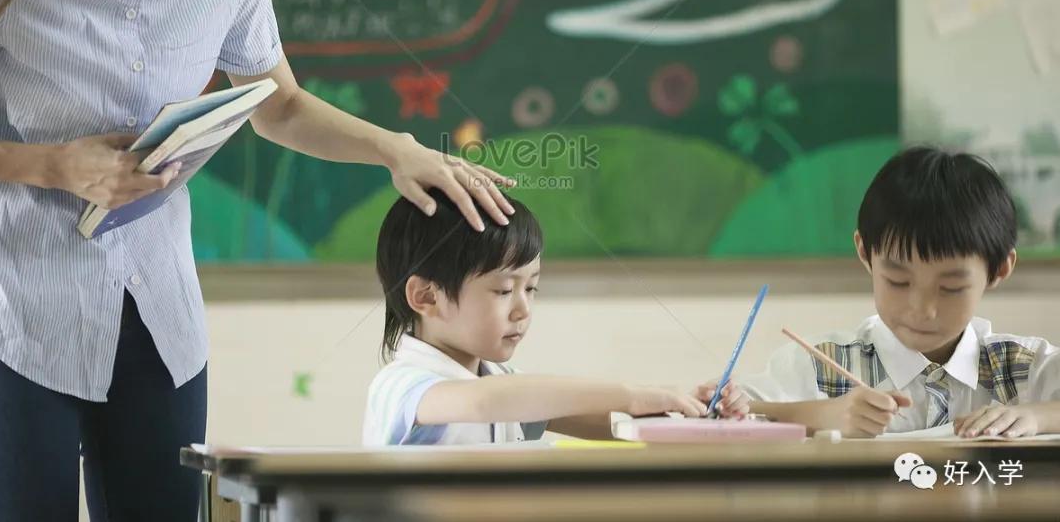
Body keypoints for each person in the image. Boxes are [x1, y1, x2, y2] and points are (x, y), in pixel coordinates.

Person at [0, 0, 513, 518]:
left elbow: (278, 105)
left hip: (159, 315)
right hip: (19, 315)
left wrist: (395, 149)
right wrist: (53, 168)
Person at [363, 189, 749, 446]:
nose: (523, 309)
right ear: (426, 296)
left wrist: (685, 411)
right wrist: (632, 394)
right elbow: (486, 403)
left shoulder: (498, 382)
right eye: (503, 290)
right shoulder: (401, 385)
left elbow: (608, 423)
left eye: (530, 288)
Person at [743, 147, 1060, 438]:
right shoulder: (819, 365)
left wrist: (1039, 417)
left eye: (950, 287)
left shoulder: (1024, 367)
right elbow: (722, 419)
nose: (922, 309)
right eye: (898, 281)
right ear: (865, 254)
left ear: (999, 270)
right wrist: (823, 416)